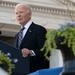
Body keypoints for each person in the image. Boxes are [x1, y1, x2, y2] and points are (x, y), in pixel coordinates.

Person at [13, 3, 49, 75]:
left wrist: (31, 52)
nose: (18, 15)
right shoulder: (17, 35)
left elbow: (46, 51)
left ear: (29, 14)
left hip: (35, 72)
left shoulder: (39, 30)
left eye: (21, 12)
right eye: (16, 13)